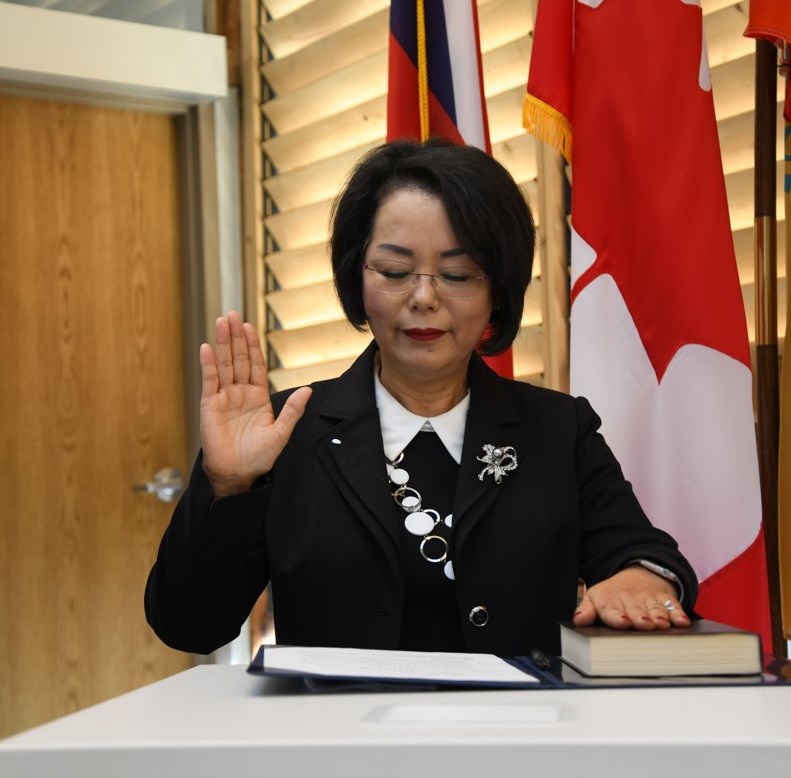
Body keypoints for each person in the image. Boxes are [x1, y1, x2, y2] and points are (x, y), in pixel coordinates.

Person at [145, 139, 696, 657]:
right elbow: (189, 626)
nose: (424, 297)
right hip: (343, 746)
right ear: (355, 277)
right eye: (395, 271)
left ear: (497, 293)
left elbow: (640, 551)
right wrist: (230, 487)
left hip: (518, 745)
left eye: (456, 274)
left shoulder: (556, 429)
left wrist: (638, 579)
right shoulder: (286, 431)